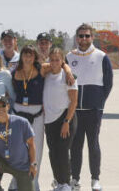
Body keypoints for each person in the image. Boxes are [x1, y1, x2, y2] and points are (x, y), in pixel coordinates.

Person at [68, 23, 113, 191]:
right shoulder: (69, 56)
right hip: (74, 111)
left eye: (87, 36)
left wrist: (99, 103)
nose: (84, 39)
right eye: (81, 36)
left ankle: (95, 178)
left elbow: (108, 83)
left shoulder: (101, 56)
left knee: (93, 144)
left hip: (93, 111)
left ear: (92, 37)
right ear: (77, 38)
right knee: (75, 146)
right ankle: (75, 179)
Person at [0, 95, 37, 191]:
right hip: (4, 162)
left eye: (3, 105)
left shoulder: (22, 122)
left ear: (8, 106)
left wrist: (33, 164)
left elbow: (31, 144)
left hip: (22, 166)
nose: (0, 108)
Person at [44, 47, 78, 191]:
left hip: (65, 118)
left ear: (62, 61)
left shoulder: (68, 76)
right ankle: (58, 182)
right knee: (53, 152)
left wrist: (66, 122)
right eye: (52, 60)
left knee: (63, 152)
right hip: (49, 120)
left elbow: (74, 102)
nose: (54, 62)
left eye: (57, 60)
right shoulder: (45, 74)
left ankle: (66, 183)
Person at [12, 45, 45, 190]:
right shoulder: (14, 72)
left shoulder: (42, 69)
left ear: (35, 57)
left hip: (36, 114)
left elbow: (60, 63)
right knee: (17, 148)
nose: (27, 57)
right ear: (21, 56)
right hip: (18, 112)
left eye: (30, 55)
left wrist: (68, 72)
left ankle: (33, 183)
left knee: (36, 148)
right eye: (25, 54)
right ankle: (15, 183)